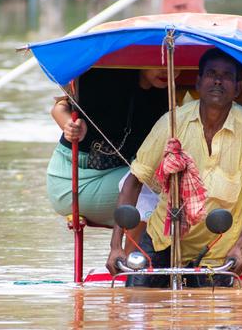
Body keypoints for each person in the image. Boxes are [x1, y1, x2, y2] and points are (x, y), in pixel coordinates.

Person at [106, 48, 242, 287]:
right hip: (163, 238)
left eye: (227, 76)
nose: (218, 80)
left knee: (211, 317)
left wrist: (240, 247)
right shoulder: (173, 122)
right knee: (136, 302)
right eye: (211, 74)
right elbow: (135, 180)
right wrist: (115, 247)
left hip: (217, 248)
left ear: (238, 88)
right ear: (198, 81)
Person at [47, 68, 173, 227]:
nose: (166, 71)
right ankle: (130, 252)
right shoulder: (105, 79)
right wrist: (70, 127)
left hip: (122, 175)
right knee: (154, 184)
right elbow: (61, 106)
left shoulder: (171, 93)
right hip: (74, 180)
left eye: (175, 66)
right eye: (158, 62)